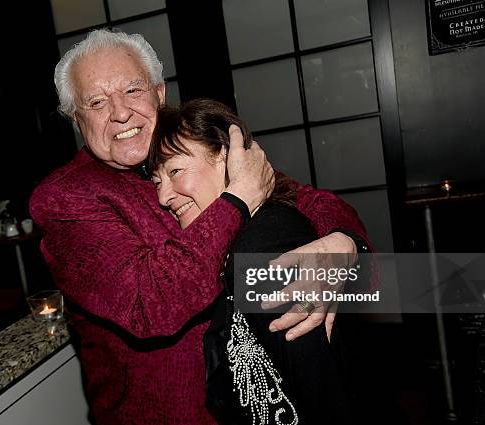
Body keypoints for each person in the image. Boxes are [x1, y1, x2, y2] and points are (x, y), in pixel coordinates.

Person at [29, 28, 368, 424]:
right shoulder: (66, 198)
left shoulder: (194, 146)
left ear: (159, 94)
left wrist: (346, 243)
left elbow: (305, 199)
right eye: (97, 101)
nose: (120, 112)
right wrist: (237, 200)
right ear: (76, 119)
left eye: (133, 91)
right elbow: (149, 304)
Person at [148, 98, 355, 425]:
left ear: (226, 157)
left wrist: (349, 241)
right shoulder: (233, 239)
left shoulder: (263, 243)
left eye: (175, 171)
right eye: (157, 181)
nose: (163, 197)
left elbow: (322, 385)